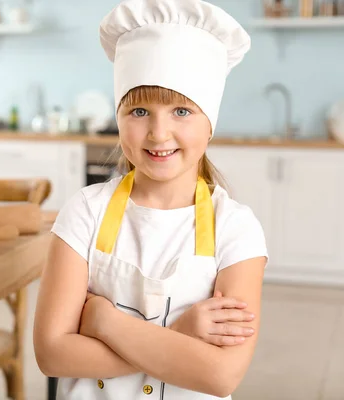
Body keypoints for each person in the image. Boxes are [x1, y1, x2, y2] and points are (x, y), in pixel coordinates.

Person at [33, 0, 269, 399]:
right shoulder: (85, 212)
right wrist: (179, 335)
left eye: (181, 110)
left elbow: (220, 375)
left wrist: (106, 323)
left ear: (209, 123)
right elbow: (52, 354)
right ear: (118, 118)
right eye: (139, 110)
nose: (159, 134)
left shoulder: (236, 229)